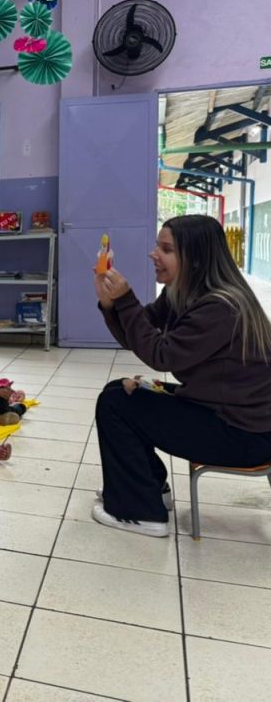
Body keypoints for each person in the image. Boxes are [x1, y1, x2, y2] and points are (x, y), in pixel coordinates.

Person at [93, 215, 271, 537]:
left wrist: (125, 301)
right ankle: (149, 490)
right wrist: (110, 304)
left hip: (243, 435)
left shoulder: (220, 306)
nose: (154, 254)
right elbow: (138, 336)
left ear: (196, 258)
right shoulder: (185, 292)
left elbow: (160, 355)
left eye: (166, 249)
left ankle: (141, 513)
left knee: (116, 404)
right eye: (157, 246)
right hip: (222, 411)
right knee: (119, 391)